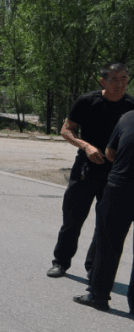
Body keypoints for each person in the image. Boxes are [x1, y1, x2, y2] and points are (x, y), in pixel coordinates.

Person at [47, 63, 134, 278]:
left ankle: (93, 268)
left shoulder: (131, 106)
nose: (121, 83)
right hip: (86, 169)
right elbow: (66, 129)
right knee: (73, 219)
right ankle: (60, 262)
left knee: (105, 224)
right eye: (115, 79)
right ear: (103, 81)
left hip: (114, 174)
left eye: (125, 78)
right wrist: (85, 146)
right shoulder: (87, 101)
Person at [74, 108, 134, 312]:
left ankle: (98, 295)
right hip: (120, 186)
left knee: (108, 242)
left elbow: (110, 153)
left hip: (120, 187)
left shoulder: (127, 117)